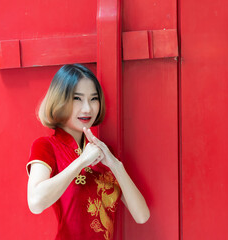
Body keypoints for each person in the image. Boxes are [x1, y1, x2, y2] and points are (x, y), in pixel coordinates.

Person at [26, 64, 150, 240]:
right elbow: (36, 202)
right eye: (77, 98)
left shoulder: (103, 152)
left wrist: (115, 165)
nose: (87, 108)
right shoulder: (46, 146)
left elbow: (142, 216)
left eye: (93, 99)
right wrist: (82, 161)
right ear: (59, 100)